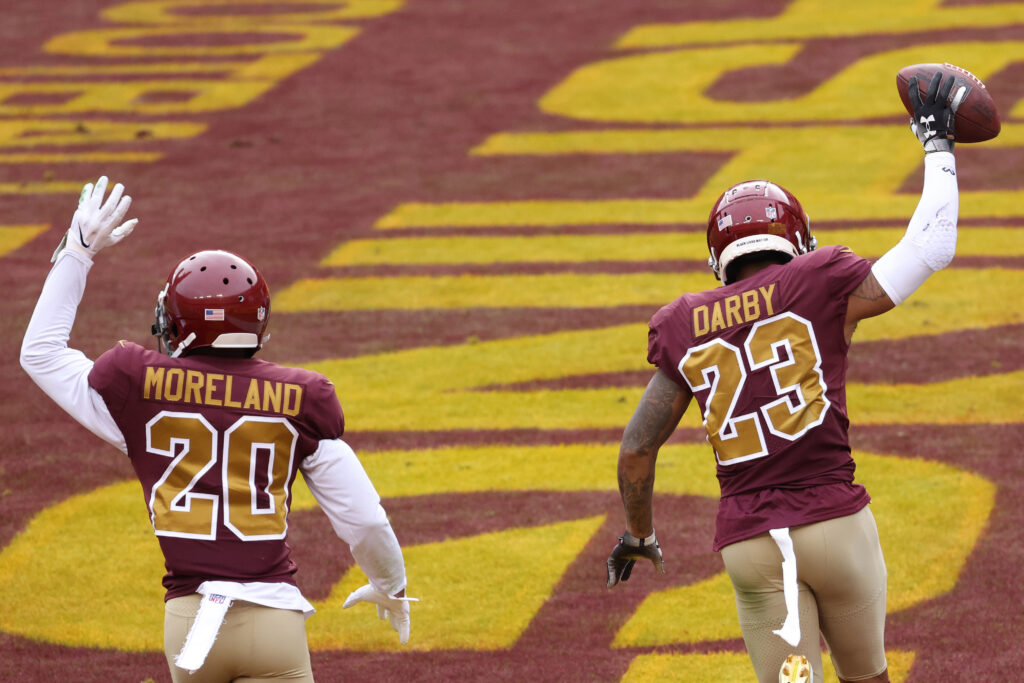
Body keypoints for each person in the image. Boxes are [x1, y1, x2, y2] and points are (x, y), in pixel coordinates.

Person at [605, 72, 963, 683]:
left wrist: (641, 533)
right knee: (867, 676)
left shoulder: (683, 321)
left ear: (720, 256)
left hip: (754, 543)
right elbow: (931, 247)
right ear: (797, 238)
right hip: (838, 527)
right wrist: (937, 145)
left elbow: (637, 449)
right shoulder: (820, 280)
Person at [21, 177, 414, 682]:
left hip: (190, 623)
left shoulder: (140, 392)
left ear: (176, 323)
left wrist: (77, 252)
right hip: (275, 623)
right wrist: (391, 584)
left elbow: (42, 352)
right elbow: (364, 520)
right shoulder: (302, 399)